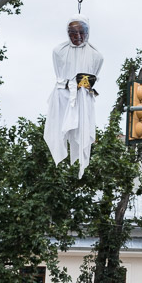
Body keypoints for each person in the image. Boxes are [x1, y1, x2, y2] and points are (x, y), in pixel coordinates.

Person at [43, 14, 103, 177]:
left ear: (87, 32)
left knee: (81, 132)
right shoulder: (58, 51)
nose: (77, 37)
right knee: (58, 128)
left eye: (81, 32)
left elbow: (92, 78)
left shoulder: (96, 56)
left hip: (83, 98)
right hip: (62, 96)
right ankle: (61, 162)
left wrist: (80, 86)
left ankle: (79, 164)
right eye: (72, 33)